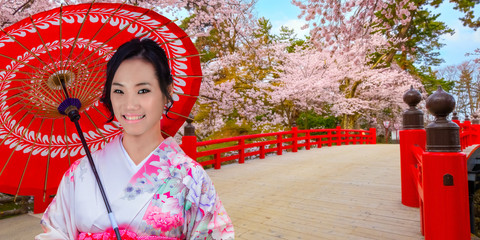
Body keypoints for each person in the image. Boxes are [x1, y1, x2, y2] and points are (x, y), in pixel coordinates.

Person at [36, 38, 234, 240]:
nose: (130, 105)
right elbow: (55, 232)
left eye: (143, 91)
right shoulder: (81, 173)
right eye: (119, 91)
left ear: (167, 92)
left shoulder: (190, 177)